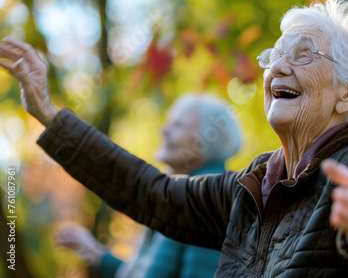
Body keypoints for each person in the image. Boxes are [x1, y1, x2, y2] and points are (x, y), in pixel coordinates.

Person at [0, 0, 348, 277]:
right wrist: (49, 113)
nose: (278, 68)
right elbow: (149, 192)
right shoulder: (251, 186)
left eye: (303, 55)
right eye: (275, 55)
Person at [54, 94, 241, 277]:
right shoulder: (181, 194)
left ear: (207, 139)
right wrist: (95, 253)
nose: (164, 131)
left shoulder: (207, 200)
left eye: (178, 125)